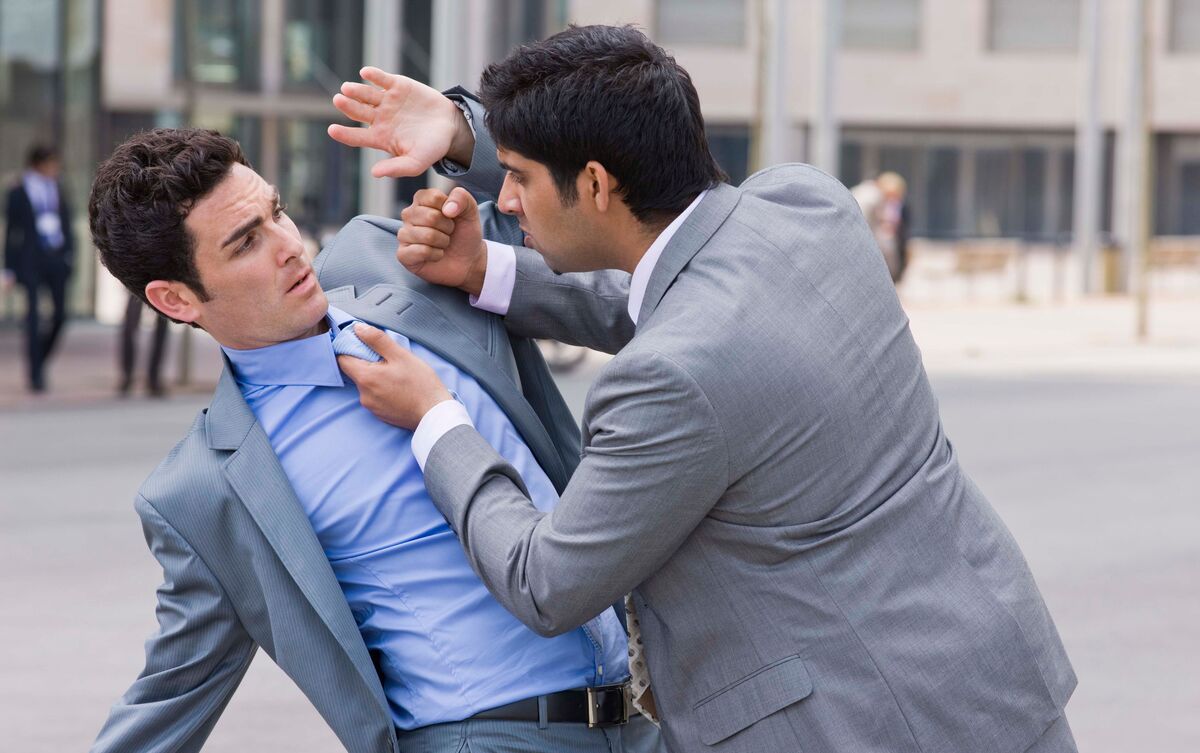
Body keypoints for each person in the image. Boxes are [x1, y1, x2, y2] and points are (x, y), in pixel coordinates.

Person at [329, 26, 1077, 753]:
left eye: (519, 177)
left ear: (593, 183)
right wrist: (485, 265)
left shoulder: (668, 382)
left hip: (855, 726)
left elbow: (546, 580)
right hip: (993, 681)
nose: (510, 203)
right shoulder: (808, 209)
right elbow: (679, 295)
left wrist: (436, 419)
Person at [87, 128, 662, 753]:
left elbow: (569, 215)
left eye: (275, 212)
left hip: (648, 719)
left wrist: (460, 136)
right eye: (246, 242)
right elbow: (170, 696)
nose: (290, 246)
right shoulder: (206, 487)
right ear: (175, 299)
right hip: (482, 737)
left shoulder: (392, 265)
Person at [4, 144, 75, 392]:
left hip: (55, 257)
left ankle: (39, 361)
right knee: (33, 318)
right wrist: (8, 269)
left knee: (60, 316)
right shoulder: (18, 190)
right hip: (30, 260)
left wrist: (69, 256)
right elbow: (12, 232)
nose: (54, 169)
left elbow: (66, 223)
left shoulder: (58, 186)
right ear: (37, 164)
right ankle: (35, 375)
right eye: (50, 164)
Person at [117, 293, 170, 397]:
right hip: (140, 280)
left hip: (164, 280)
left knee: (161, 324)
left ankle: (153, 378)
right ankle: (128, 376)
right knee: (130, 325)